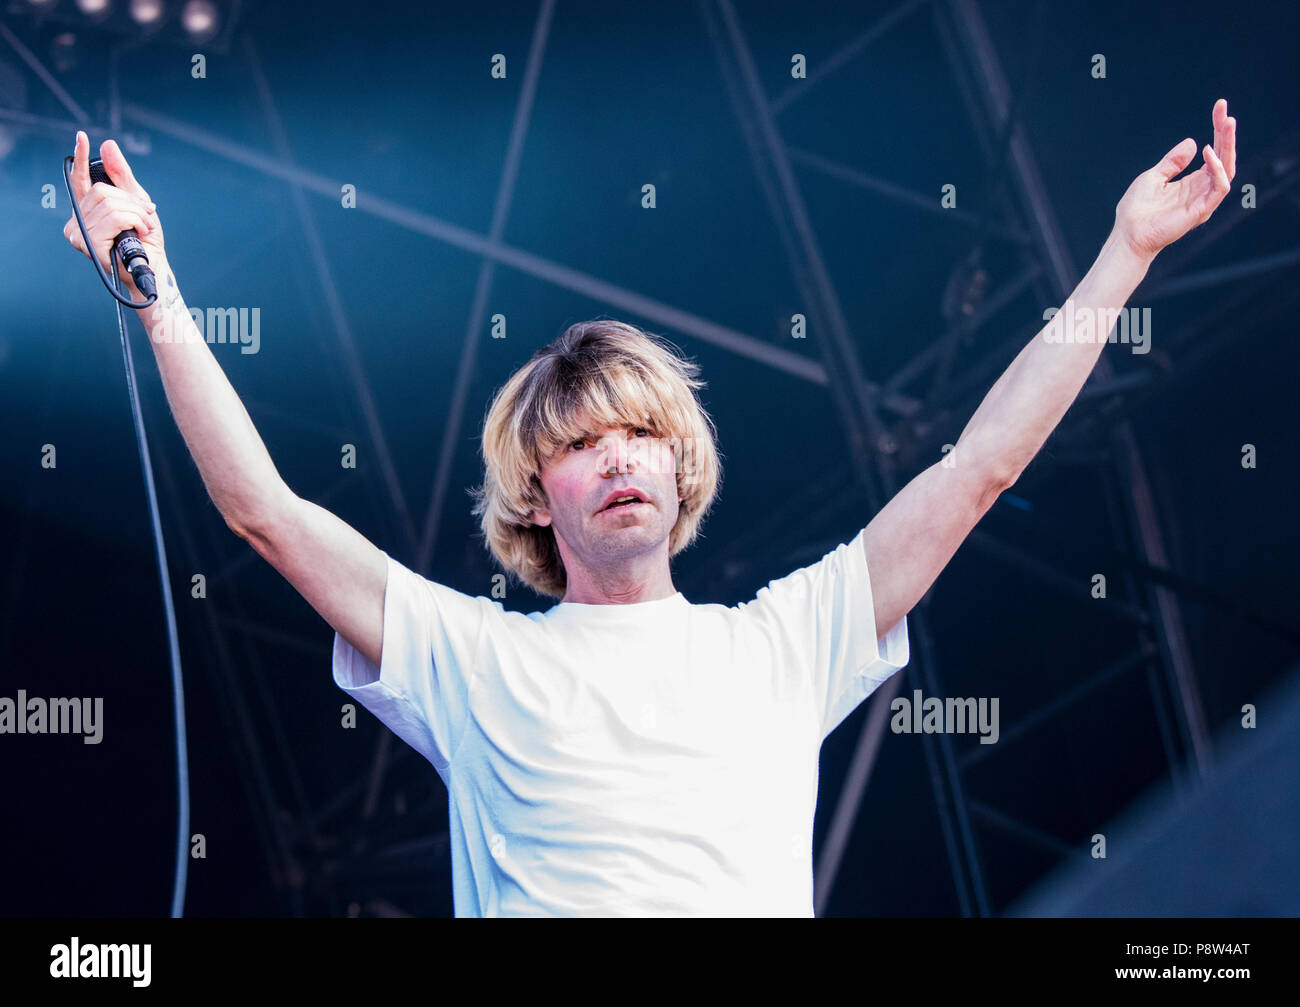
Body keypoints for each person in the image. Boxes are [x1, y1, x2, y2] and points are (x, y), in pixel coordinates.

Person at [62, 100, 1237, 916]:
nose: (616, 458)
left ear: (680, 469)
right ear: (535, 495)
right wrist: (155, 289)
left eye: (638, 434)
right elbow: (262, 509)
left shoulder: (785, 638)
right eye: (579, 444)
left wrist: (1121, 257)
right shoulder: (468, 658)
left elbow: (978, 464)